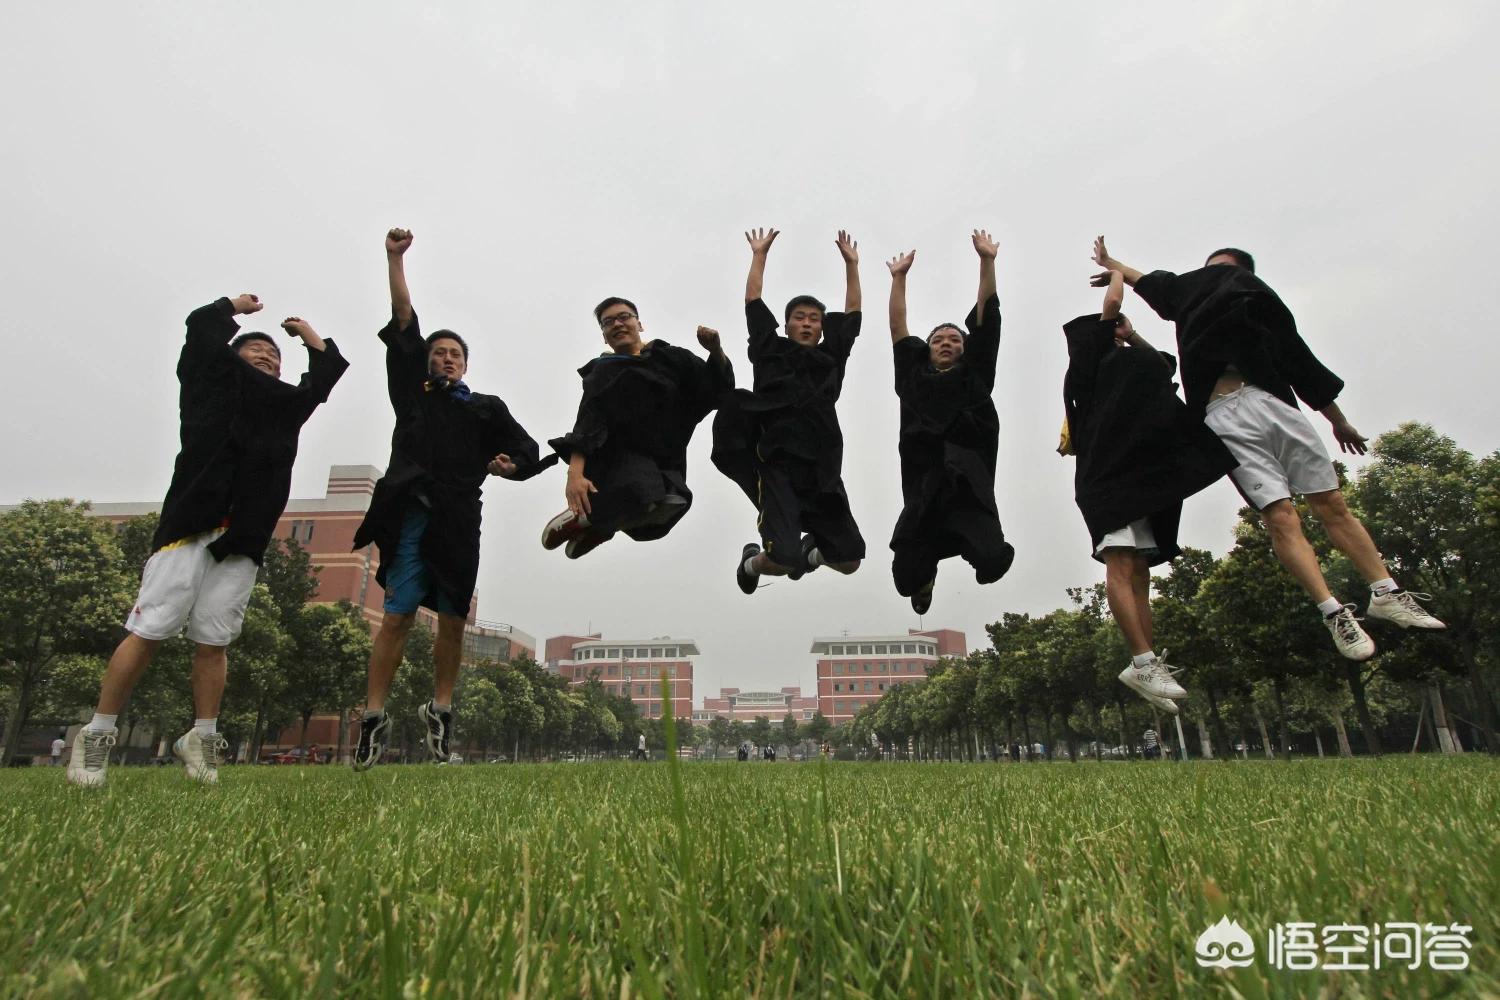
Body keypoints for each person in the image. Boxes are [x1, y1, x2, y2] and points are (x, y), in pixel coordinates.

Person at [1091, 238, 1445, 658]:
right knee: (1280, 516)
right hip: (1223, 415)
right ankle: (1333, 613)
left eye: (1224, 272)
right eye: (1207, 273)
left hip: (1275, 404)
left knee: (1331, 502)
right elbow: (1153, 281)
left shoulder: (1259, 310)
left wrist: (1338, 421)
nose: (1215, 280)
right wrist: (1113, 265)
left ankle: (1385, 591)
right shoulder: (1187, 298)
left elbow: (1301, 364)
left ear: (1246, 277)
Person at [67, 296, 348, 788]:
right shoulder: (209, 385)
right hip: (190, 527)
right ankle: (98, 733)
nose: (267, 356)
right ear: (231, 358)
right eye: (256, 351)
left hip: (243, 538)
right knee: (150, 629)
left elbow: (323, 378)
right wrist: (233, 307)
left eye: (273, 356)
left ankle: (202, 737)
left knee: (214, 641)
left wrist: (308, 336)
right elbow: (200, 330)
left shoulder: (284, 408)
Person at [352, 229, 546, 771]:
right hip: (413, 514)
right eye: (438, 353)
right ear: (427, 363)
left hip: (461, 519)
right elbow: (404, 317)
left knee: (454, 619)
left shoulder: (485, 407)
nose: (445, 358)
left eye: (454, 353)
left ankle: (440, 714)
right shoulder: (412, 395)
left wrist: (511, 466)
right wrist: (394, 259)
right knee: (397, 616)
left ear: (467, 363)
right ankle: (372, 720)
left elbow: (527, 450)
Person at [1062, 267, 1238, 713]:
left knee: (1140, 568)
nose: (1114, 334)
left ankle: (1146, 664)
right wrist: (1118, 273)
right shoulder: (1090, 369)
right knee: (1121, 560)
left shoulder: (1139, 361)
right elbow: (1111, 308)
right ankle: (1141, 660)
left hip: (1145, 476)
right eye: (1108, 333)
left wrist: (1132, 334)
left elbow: (1163, 366)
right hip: (1107, 479)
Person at [714, 229, 866, 593]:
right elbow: (753, 301)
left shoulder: (831, 358)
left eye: (815, 318)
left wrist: (852, 265)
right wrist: (759, 255)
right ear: (787, 325)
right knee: (782, 561)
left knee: (849, 561)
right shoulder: (771, 351)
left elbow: (853, 313)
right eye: (800, 317)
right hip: (779, 466)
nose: (808, 323)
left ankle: (812, 552)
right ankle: (751, 562)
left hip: (824, 470)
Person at [885, 231, 1016, 616]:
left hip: (968, 491)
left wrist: (987, 261)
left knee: (994, 563)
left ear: (964, 350)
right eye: (939, 338)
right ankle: (925, 577)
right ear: (928, 349)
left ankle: (972, 547)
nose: (947, 342)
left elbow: (987, 318)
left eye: (955, 339)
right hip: (924, 493)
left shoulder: (975, 379)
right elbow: (897, 329)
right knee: (905, 580)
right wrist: (898, 279)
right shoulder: (912, 381)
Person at [541, 297, 732, 558]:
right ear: (604, 336)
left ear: (639, 323)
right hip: (619, 457)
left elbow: (715, 389)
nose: (617, 324)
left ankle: (601, 528)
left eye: (624, 317)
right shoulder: (603, 371)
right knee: (640, 487)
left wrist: (715, 351)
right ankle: (581, 516)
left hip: (666, 455)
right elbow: (588, 421)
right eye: (608, 322)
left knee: (674, 502)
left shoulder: (671, 358)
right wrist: (575, 475)